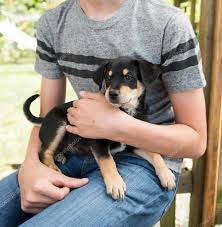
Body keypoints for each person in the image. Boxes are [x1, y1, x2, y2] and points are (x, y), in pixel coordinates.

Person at [0, 0, 207, 226]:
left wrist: (116, 126)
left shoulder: (168, 23)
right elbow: (47, 117)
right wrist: (30, 167)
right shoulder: (53, 23)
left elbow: (196, 141)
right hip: (74, 151)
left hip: (143, 163)